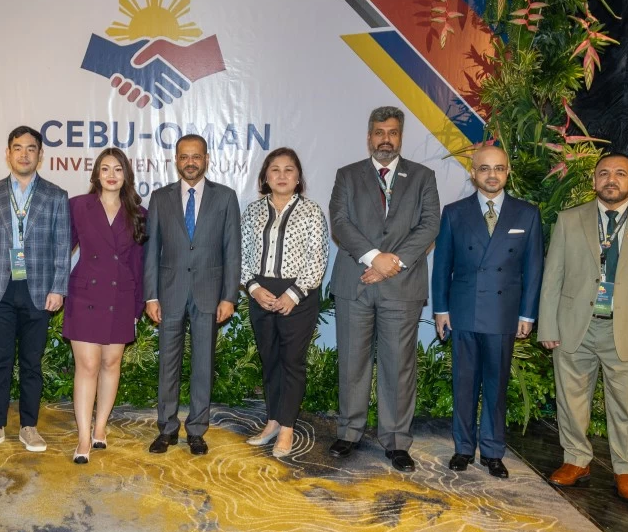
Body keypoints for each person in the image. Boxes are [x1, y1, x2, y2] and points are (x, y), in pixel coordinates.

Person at [539, 151, 628, 503]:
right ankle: (576, 461)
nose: (610, 179)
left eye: (620, 173)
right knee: (570, 401)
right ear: (594, 180)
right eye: (603, 173)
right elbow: (552, 277)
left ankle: (626, 469)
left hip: (627, 331)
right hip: (574, 328)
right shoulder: (570, 220)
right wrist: (548, 326)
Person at [329, 106, 440, 471]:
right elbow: (341, 223)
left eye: (392, 132)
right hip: (356, 284)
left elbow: (428, 226)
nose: (385, 139)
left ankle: (395, 441)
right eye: (379, 132)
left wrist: (392, 263)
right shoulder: (347, 175)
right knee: (352, 363)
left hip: (402, 285)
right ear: (369, 136)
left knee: (397, 366)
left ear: (400, 136)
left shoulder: (423, 177)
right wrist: (374, 257)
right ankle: (349, 432)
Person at [432, 144, 543, 478]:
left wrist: (528, 314)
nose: (491, 174)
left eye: (498, 168)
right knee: (464, 383)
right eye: (484, 168)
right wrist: (440, 309)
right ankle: (463, 449)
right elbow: (442, 266)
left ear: (508, 172)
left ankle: (493, 451)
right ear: (473, 172)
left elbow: (534, 267)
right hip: (463, 310)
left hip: (503, 313)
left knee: (496, 386)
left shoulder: (527, 214)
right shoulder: (454, 212)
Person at [0, 126, 71, 454]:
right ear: (7, 153)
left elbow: (62, 245)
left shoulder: (56, 196)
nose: (24, 154)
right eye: (17, 148)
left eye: (31, 149)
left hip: (39, 290)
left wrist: (59, 288)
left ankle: (29, 427)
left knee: (31, 363)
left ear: (40, 155)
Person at [144, 134, 242, 456]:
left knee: (203, 365)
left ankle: (197, 430)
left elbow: (232, 251)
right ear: (176, 160)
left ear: (206, 159)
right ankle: (167, 428)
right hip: (169, 294)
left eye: (196, 156)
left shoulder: (226, 198)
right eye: (184, 156)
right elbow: (151, 252)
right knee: (167, 366)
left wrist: (229, 296)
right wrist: (150, 296)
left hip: (209, 294)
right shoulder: (159, 198)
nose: (190, 162)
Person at [240, 148, 329, 459]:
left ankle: (288, 427)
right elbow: (242, 254)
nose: (281, 175)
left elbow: (317, 258)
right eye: (274, 169)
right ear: (265, 176)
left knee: (292, 361)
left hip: (298, 296)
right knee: (270, 360)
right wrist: (253, 288)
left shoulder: (312, 211)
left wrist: (293, 294)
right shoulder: (252, 211)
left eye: (288, 170)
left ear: (298, 177)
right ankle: (273, 421)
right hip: (260, 293)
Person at [64, 148, 147, 463]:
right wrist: (55, 288)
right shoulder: (78, 207)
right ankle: (83, 437)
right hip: (85, 294)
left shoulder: (139, 214)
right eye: (105, 168)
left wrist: (138, 307)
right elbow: (62, 252)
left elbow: (138, 265)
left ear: (126, 175)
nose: (111, 175)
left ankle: (101, 429)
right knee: (86, 366)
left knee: (111, 365)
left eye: (118, 169)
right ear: (96, 174)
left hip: (121, 298)